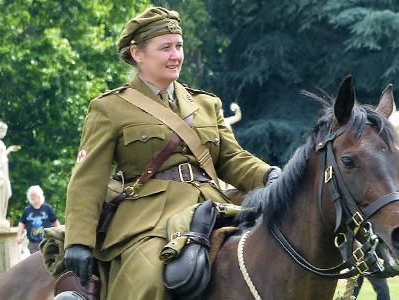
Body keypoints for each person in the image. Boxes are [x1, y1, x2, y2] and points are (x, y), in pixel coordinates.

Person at [61, 5, 280, 300]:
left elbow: (231, 158)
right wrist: (78, 240)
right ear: (138, 54)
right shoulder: (110, 108)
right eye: (165, 48)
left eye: (179, 46)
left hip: (213, 207)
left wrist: (269, 175)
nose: (176, 55)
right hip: (149, 221)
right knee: (148, 280)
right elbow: (88, 180)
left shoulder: (205, 104)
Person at [0, 120, 21, 223]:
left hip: (3, 171)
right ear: (0, 131)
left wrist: (9, 150)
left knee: (7, 193)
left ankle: (1, 217)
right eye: (5, 131)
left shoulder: (0, 142)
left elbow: (1, 157)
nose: (5, 133)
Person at [16, 185, 61, 254]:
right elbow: (21, 224)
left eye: (34, 195)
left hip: (47, 242)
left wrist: (60, 235)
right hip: (33, 243)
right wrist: (19, 236)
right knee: (35, 263)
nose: (32, 197)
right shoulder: (27, 210)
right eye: (31, 195)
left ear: (39, 195)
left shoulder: (47, 208)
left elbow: (55, 222)